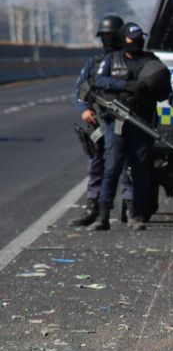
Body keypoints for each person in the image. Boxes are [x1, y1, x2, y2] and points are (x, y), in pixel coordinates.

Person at [88, 22, 171, 231]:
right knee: (112, 167)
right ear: (124, 40)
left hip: (142, 122)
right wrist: (125, 86)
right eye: (132, 40)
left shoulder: (152, 62)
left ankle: (136, 215)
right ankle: (103, 214)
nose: (136, 43)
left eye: (139, 39)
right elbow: (100, 81)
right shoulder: (111, 60)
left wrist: (146, 88)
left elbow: (164, 90)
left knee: (140, 170)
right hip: (116, 121)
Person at [70, 14, 134, 227]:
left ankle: (130, 206)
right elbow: (81, 90)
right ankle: (93, 206)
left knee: (126, 166)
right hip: (100, 121)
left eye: (111, 35)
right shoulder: (94, 62)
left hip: (125, 121)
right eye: (104, 36)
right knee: (97, 164)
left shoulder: (127, 60)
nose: (108, 40)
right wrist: (85, 110)